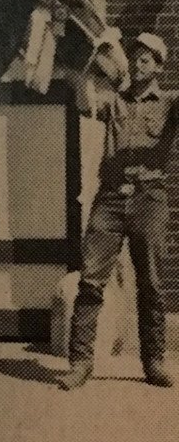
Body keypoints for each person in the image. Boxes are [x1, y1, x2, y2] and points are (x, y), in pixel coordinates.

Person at [58, 32, 178, 390]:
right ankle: (80, 363)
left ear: (158, 66)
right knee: (91, 281)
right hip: (109, 199)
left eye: (146, 59)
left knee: (152, 284)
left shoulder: (170, 102)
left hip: (149, 199)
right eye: (135, 57)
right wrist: (80, 72)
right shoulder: (114, 102)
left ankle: (154, 361)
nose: (138, 64)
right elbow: (84, 104)